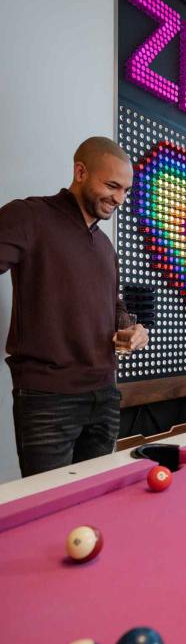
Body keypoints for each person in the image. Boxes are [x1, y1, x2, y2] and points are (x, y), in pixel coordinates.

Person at [0, 136, 148, 477]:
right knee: (46, 511)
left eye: (125, 190)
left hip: (105, 396)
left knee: (93, 504)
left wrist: (130, 327)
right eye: (112, 186)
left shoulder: (105, 244)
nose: (119, 199)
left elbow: (113, 303)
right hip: (47, 398)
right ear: (80, 172)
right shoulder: (29, 215)